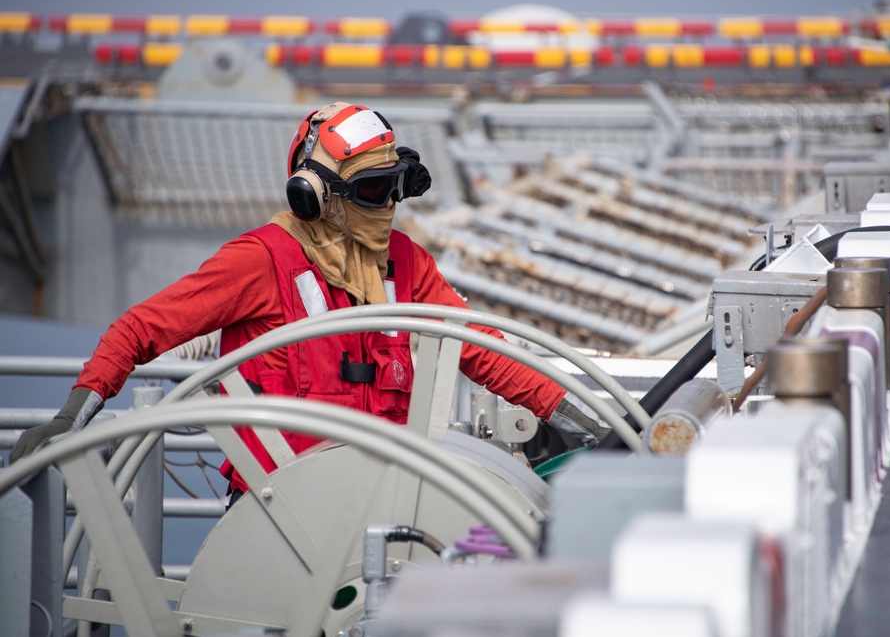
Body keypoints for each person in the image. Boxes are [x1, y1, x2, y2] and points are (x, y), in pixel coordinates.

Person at [10, 102, 608, 497]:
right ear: (314, 195)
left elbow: (487, 353)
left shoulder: (407, 264)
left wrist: (581, 423)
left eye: (395, 189)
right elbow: (140, 329)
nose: (388, 207)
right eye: (372, 190)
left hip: (384, 502)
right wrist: (75, 413)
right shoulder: (261, 261)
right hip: (280, 513)